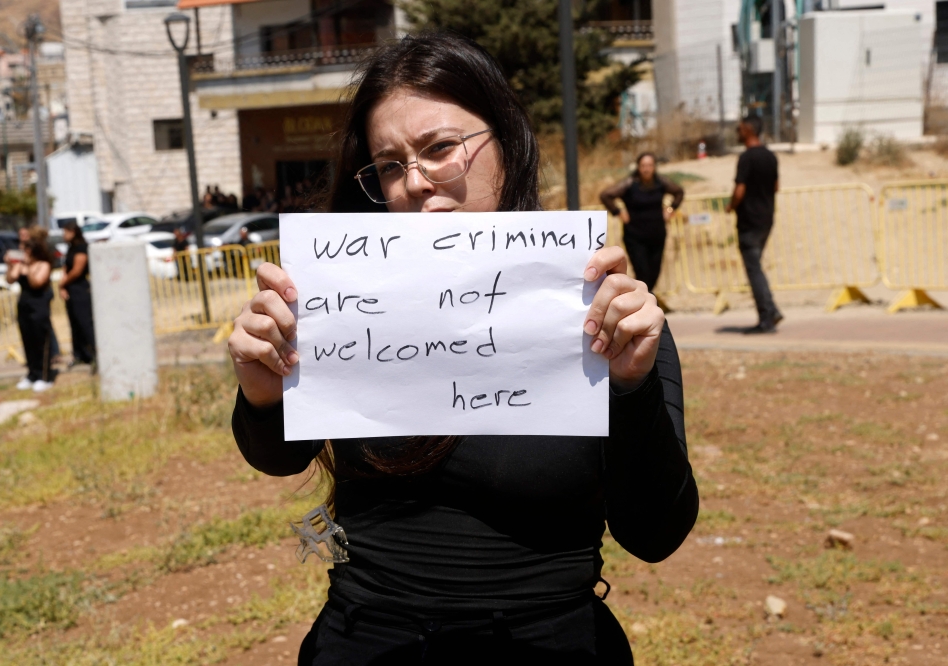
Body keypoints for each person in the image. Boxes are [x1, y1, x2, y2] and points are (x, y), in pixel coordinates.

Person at [228, 33, 697, 665]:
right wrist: (261, 394)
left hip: (549, 646)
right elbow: (281, 458)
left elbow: (656, 533)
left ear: (506, 141)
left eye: (441, 148)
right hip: (368, 644)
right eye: (391, 165)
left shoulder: (599, 313)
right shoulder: (346, 304)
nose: (416, 183)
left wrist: (632, 387)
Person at [726, 115, 783, 334]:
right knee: (757, 267)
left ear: (748, 130)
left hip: (749, 221)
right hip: (767, 219)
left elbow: (739, 190)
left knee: (754, 270)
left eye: (740, 129)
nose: (737, 133)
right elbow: (776, 186)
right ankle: (772, 311)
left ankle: (767, 316)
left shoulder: (746, 158)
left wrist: (731, 205)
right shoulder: (771, 156)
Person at [599, 153, 684, 294]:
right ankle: (643, 304)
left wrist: (670, 209)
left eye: (650, 165)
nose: (646, 169)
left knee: (654, 273)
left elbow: (679, 192)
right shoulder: (630, 184)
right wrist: (618, 212)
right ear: (638, 167)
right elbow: (606, 195)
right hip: (635, 236)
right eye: (643, 166)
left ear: (654, 167)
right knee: (642, 273)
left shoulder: (660, 183)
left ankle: (645, 300)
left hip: (657, 235)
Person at [7, 226, 58, 392]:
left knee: (41, 340)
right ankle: (32, 373)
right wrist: (10, 265)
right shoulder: (21, 265)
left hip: (39, 305)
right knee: (28, 339)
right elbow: (10, 279)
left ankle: (45, 375)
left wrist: (28, 268)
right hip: (24, 305)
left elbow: (37, 282)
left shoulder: (43, 264)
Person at [58, 222, 96, 369]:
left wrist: (63, 283)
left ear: (73, 232)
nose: (63, 235)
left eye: (66, 232)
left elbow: (77, 270)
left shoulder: (81, 248)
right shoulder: (70, 248)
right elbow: (66, 267)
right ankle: (80, 354)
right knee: (74, 323)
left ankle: (94, 354)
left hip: (81, 289)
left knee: (84, 322)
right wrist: (64, 286)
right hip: (71, 289)